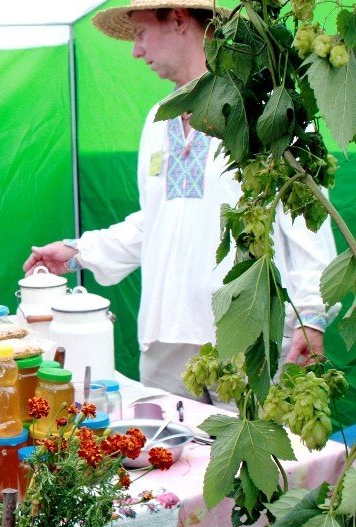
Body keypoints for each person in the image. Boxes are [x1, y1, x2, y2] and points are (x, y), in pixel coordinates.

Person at [23, 0, 339, 397]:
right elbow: (156, 222)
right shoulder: (159, 119)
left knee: (244, 455)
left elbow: (305, 220)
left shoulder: (264, 110)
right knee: (167, 456)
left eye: (140, 34)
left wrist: (312, 316)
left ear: (178, 20)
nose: (136, 51)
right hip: (165, 337)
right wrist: (77, 252)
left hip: (246, 337)